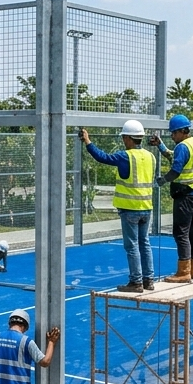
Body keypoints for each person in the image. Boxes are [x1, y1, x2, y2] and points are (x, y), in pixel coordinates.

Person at [79, 123, 157, 292]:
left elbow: (102, 157)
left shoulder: (125, 156)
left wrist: (87, 141)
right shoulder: (151, 156)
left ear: (128, 138)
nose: (123, 141)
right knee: (145, 243)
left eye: (123, 137)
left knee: (132, 246)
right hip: (147, 207)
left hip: (130, 209)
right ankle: (148, 280)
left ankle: (136, 282)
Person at [150, 114, 193, 283]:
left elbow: (176, 170)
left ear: (182, 131)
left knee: (181, 233)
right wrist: (161, 146)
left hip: (186, 196)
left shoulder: (182, 146)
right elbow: (177, 158)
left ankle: (183, 272)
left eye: (174, 133)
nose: (172, 136)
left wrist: (163, 180)